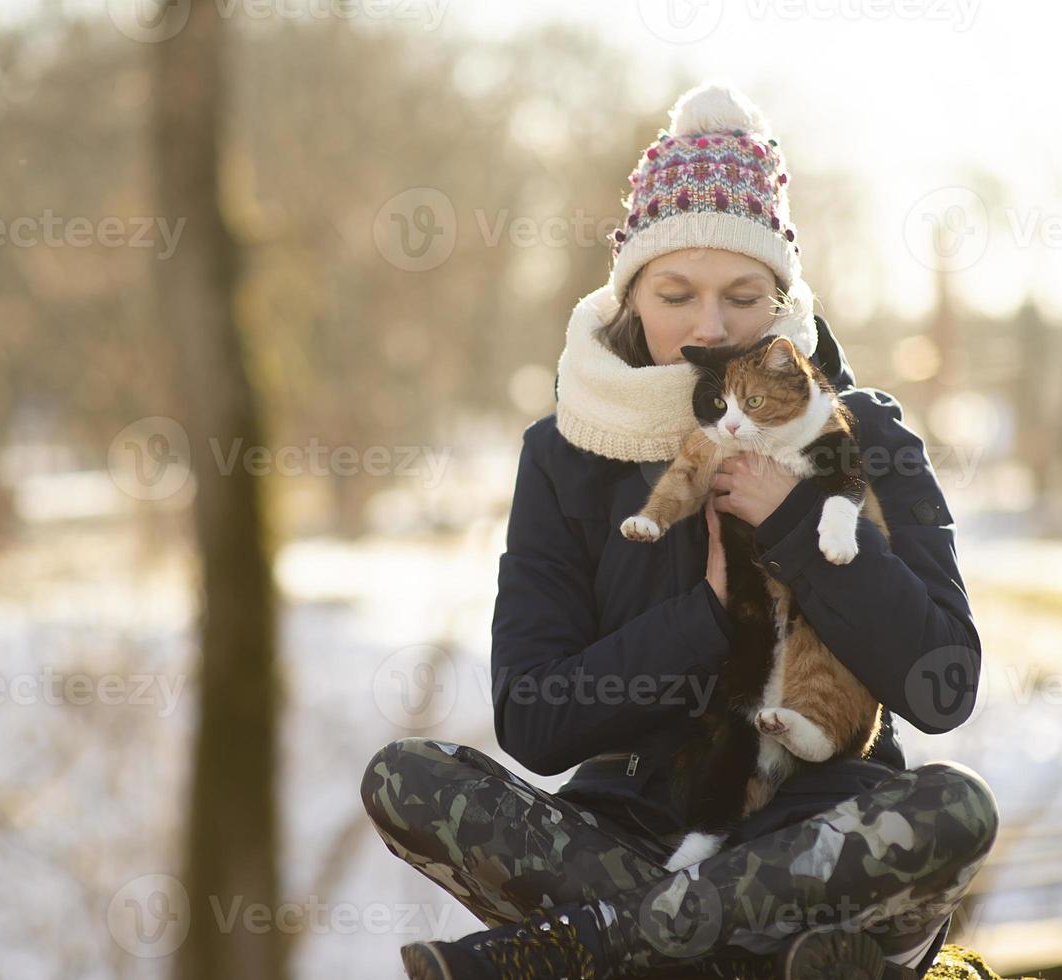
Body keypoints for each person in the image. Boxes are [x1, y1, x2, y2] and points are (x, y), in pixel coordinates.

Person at [360, 79, 998, 980]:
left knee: (954, 811)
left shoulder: (867, 435)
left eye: (743, 296)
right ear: (630, 296)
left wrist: (791, 523)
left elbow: (944, 689)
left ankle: (613, 945)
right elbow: (534, 721)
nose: (711, 325)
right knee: (405, 777)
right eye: (677, 293)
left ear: (781, 303)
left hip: (817, 831)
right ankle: (742, 950)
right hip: (625, 832)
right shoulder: (563, 455)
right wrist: (706, 612)